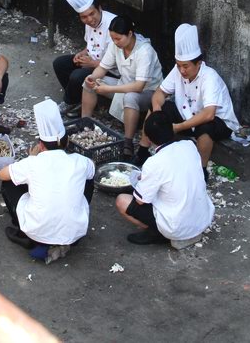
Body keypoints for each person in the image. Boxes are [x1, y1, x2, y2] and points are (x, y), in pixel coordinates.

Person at [0, 99, 95, 264]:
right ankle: (65, 225)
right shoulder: (81, 161)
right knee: (88, 179)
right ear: (68, 142)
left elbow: (1, 174)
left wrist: (31, 159)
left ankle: (23, 230)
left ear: (41, 145)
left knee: (8, 182)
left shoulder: (33, 162)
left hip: (36, 231)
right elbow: (91, 170)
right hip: (74, 234)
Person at [138, 23, 240, 171]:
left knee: (206, 126)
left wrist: (178, 127)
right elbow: (160, 93)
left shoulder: (209, 77)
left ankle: (201, 170)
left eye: (185, 66)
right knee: (158, 107)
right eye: (179, 65)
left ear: (198, 64)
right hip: (187, 115)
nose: (181, 70)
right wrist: (157, 111)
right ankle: (142, 151)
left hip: (218, 122)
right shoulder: (178, 70)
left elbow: (209, 113)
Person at [115, 109, 214, 247]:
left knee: (122, 201)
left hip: (176, 226)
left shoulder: (154, 162)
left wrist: (141, 182)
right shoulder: (190, 145)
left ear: (149, 139)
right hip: (203, 219)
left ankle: (158, 233)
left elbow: (140, 201)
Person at [80, 15, 163, 143]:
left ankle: (127, 142)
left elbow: (139, 86)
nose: (115, 42)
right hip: (124, 84)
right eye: (113, 39)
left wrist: (108, 88)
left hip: (148, 91)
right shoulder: (116, 46)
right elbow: (102, 68)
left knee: (130, 97)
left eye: (118, 38)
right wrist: (92, 77)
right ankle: (84, 125)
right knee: (89, 83)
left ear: (130, 34)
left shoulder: (145, 51)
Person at [52, 0, 116, 117]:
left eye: (92, 14)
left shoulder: (113, 24)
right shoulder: (89, 23)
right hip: (93, 61)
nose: (89, 20)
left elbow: (118, 61)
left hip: (112, 70)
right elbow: (90, 45)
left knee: (78, 75)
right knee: (60, 63)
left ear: (99, 9)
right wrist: (81, 54)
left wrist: (92, 63)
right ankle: (77, 101)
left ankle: (69, 102)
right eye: (84, 17)